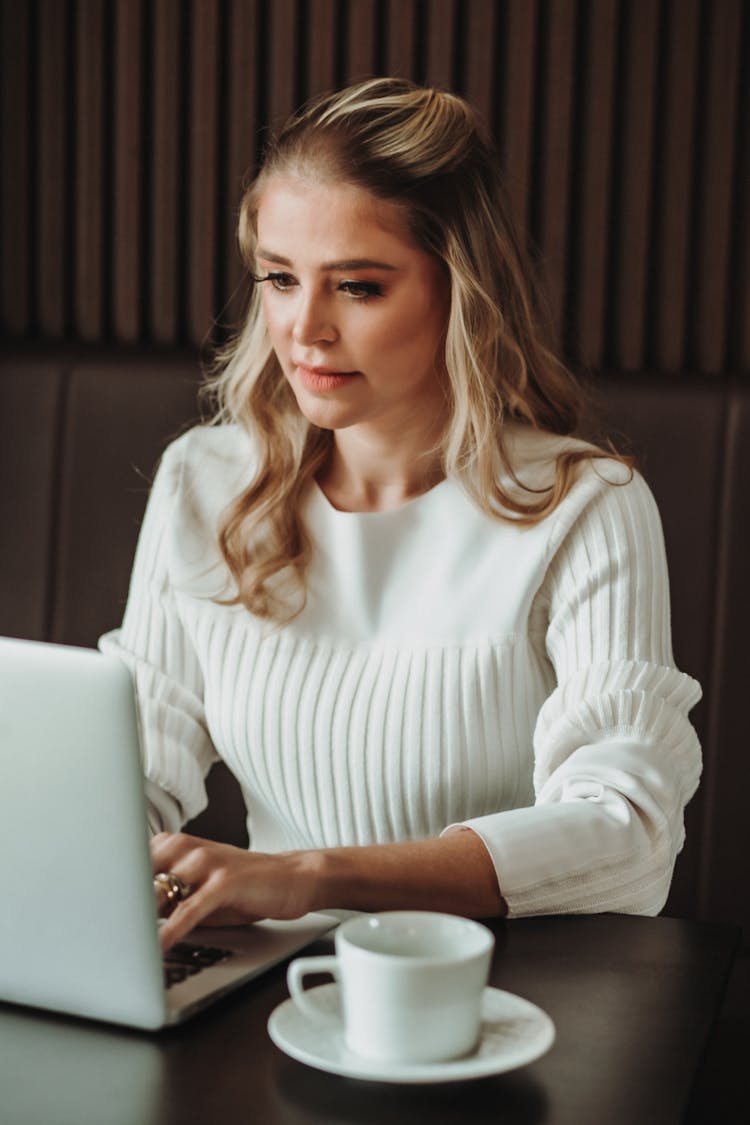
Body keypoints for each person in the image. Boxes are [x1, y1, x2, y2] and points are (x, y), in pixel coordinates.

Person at [100, 78, 701, 951]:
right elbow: (135, 766)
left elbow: (627, 832)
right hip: (269, 980)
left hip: (511, 990)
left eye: (358, 287)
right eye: (278, 278)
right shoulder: (205, 481)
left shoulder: (587, 506)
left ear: (461, 290)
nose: (304, 329)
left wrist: (309, 876)